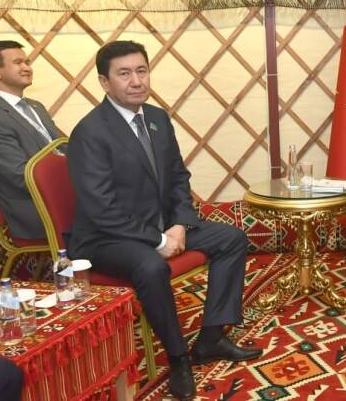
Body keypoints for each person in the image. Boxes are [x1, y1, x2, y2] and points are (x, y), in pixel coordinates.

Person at [65, 41, 261, 400]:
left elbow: (178, 178)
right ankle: (178, 357)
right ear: (105, 82)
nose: (136, 81)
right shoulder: (90, 132)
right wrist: (158, 240)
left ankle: (211, 337)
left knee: (231, 238)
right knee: (151, 267)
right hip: (106, 238)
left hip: (161, 227)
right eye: (124, 74)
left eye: (142, 70)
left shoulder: (157, 118)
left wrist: (180, 225)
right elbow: (101, 209)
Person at [0, 40, 62, 239]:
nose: (27, 68)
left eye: (27, 62)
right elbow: (19, 176)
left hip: (62, 193)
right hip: (36, 208)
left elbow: (61, 148)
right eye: (18, 63)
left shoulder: (36, 106)